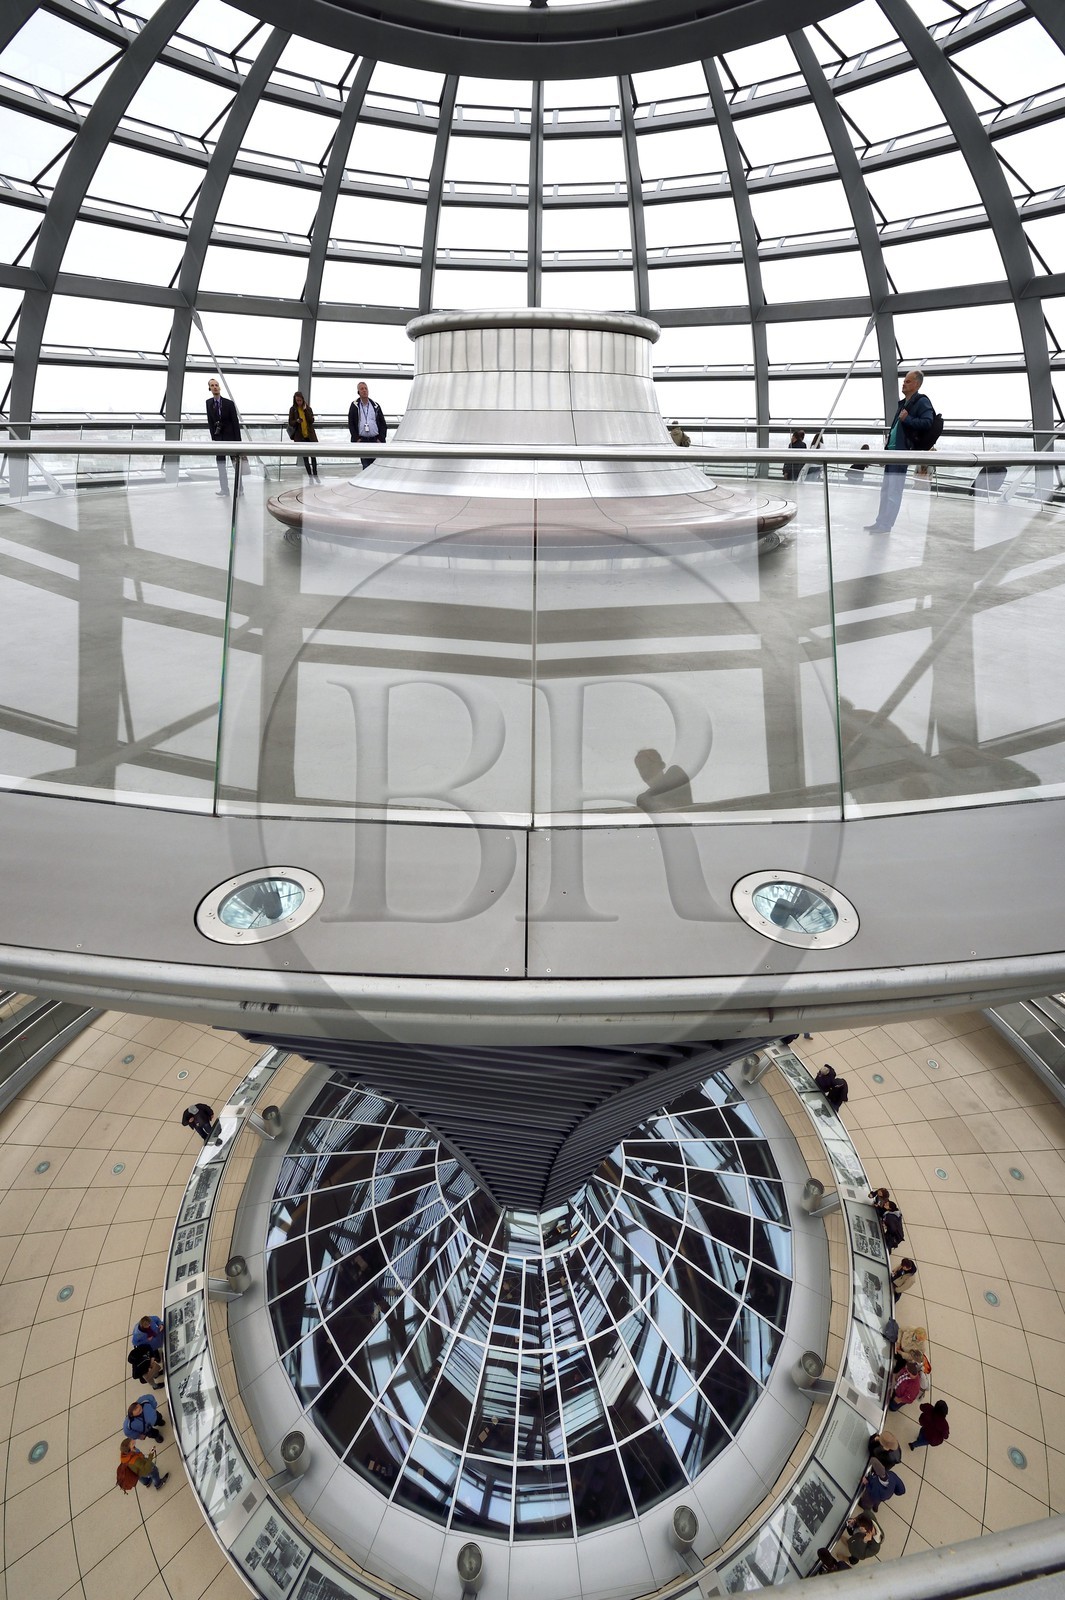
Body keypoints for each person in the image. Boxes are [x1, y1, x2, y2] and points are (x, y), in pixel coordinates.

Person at [865, 369, 935, 532]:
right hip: (893, 452)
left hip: (901, 453)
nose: (903, 384)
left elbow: (927, 422)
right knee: (886, 490)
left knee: (894, 491)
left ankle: (886, 525)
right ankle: (880, 522)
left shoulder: (921, 401)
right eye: (904, 381)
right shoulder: (903, 403)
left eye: (908, 381)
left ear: (917, 384)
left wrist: (907, 418)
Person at [205, 376, 243, 497]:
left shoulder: (229, 403)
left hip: (231, 439)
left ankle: (240, 489)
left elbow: (235, 423)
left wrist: (238, 442)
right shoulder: (208, 403)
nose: (215, 387)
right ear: (209, 388)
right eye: (212, 385)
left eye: (216, 385)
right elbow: (210, 421)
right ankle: (224, 489)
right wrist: (214, 438)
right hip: (218, 439)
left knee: (236, 466)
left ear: (219, 387)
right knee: (221, 466)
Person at [348, 381, 387, 470]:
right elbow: (351, 423)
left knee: (376, 467)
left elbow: (382, 424)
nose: (364, 390)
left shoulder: (375, 406)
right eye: (362, 389)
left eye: (366, 388)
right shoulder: (354, 406)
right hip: (362, 440)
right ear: (358, 392)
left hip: (375, 440)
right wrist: (356, 439)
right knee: (366, 467)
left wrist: (380, 438)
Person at [288, 391, 319, 479]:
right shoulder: (293, 409)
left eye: (300, 400)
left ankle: (315, 475)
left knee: (313, 457)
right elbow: (290, 422)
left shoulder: (308, 408)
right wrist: (297, 421)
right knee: (305, 458)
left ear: (303, 400)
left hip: (310, 436)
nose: (299, 402)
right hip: (300, 437)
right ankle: (310, 476)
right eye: (297, 400)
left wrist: (305, 410)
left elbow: (311, 420)